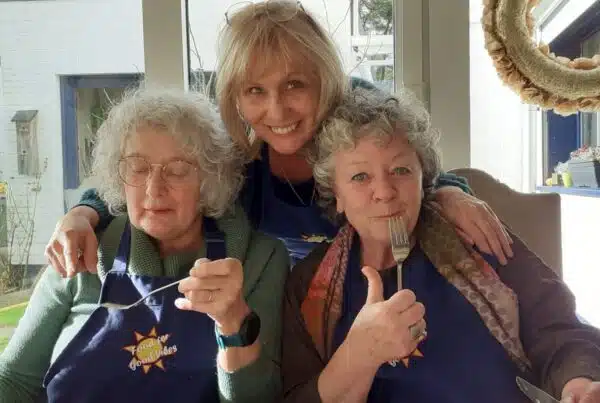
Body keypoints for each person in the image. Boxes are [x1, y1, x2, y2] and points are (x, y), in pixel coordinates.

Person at [45, 0, 512, 279]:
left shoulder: (361, 118)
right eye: (255, 91)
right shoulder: (231, 148)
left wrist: (451, 192)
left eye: (294, 85)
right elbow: (149, 170)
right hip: (279, 316)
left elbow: (416, 166)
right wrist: (81, 213)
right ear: (235, 96)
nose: (277, 111)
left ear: (324, 80)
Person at [281, 89, 600, 403]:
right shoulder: (309, 287)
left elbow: (558, 326)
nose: (385, 191)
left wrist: (578, 382)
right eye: (360, 176)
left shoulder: (474, 236)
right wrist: (358, 356)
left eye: (401, 170)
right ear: (336, 194)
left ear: (424, 180)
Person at [0, 89, 288, 403]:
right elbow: (13, 380)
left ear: (210, 179)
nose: (154, 189)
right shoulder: (82, 247)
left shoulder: (260, 259)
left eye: (177, 170)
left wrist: (234, 322)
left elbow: (259, 398)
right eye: (138, 168)